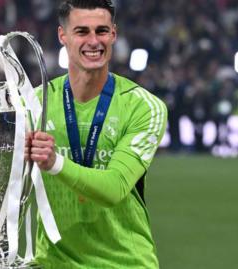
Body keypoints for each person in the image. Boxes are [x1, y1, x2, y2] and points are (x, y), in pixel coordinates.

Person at [25, 0, 167, 268]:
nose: (93, 41)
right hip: (53, 263)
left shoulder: (143, 106)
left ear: (113, 34)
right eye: (82, 32)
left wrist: (55, 162)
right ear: (63, 35)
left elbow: (114, 188)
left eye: (101, 31)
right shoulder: (35, 103)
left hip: (124, 262)